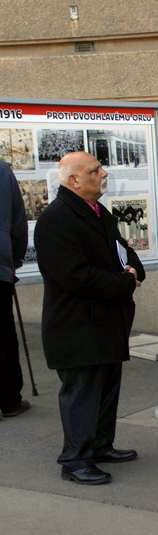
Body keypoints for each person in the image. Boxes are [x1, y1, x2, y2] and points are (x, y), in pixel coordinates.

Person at [35, 151, 144, 485]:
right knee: (82, 391)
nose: (104, 173)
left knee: (107, 386)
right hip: (77, 324)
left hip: (105, 320)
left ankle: (100, 445)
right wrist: (124, 282)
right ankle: (75, 459)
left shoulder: (96, 211)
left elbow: (122, 249)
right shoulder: (57, 219)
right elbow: (73, 276)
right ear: (74, 180)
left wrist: (135, 270)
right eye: (96, 170)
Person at [0, 161, 30, 419]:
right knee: (3, 334)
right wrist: (15, 260)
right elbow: (19, 222)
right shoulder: (2, 170)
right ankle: (9, 399)